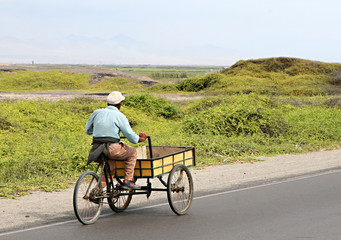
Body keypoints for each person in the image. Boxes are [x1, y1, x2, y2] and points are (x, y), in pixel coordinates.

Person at [85, 91, 148, 190]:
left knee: (109, 171)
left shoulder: (96, 113)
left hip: (97, 149)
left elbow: (88, 130)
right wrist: (140, 139)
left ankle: (96, 192)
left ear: (108, 103)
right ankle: (128, 181)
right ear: (120, 105)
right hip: (112, 149)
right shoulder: (119, 116)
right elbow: (130, 136)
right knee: (133, 152)